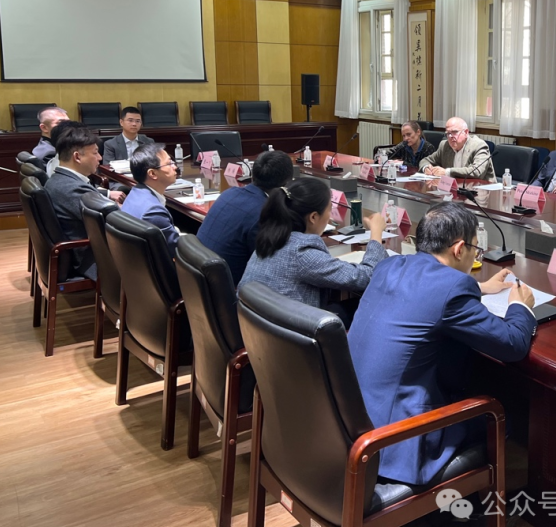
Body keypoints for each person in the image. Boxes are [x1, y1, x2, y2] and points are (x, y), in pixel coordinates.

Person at [348, 201, 536, 486]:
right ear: (459, 249)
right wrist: (520, 307)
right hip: (396, 440)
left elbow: (426, 291)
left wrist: (481, 288)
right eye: (475, 250)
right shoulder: (453, 287)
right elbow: (513, 345)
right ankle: (473, 509)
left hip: (353, 422)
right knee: (504, 413)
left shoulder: (388, 266)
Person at [238, 175, 387, 321]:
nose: (331, 217)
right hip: (292, 331)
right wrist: (376, 233)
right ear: (313, 217)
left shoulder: (270, 237)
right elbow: (366, 277)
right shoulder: (301, 252)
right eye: (329, 210)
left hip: (259, 327)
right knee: (374, 306)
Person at [196, 150, 295, 285]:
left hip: (201, 281)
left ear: (253, 175)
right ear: (287, 183)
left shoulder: (229, 193)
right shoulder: (265, 213)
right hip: (231, 290)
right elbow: (270, 265)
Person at [43, 123, 123, 279]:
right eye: (95, 153)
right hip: (93, 260)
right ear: (77, 157)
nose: (100, 158)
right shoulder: (72, 189)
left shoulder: (58, 180)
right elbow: (115, 224)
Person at [121, 143, 181, 258]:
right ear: (152, 173)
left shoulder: (135, 193)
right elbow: (176, 250)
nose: (175, 167)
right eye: (169, 163)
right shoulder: (153, 212)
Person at [419, 117, 495, 182]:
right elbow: (425, 160)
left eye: (455, 132)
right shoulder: (445, 145)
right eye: (448, 133)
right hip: (455, 189)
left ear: (466, 132)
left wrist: (447, 172)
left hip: (481, 191)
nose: (450, 136)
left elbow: (477, 172)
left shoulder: (478, 146)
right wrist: (426, 168)